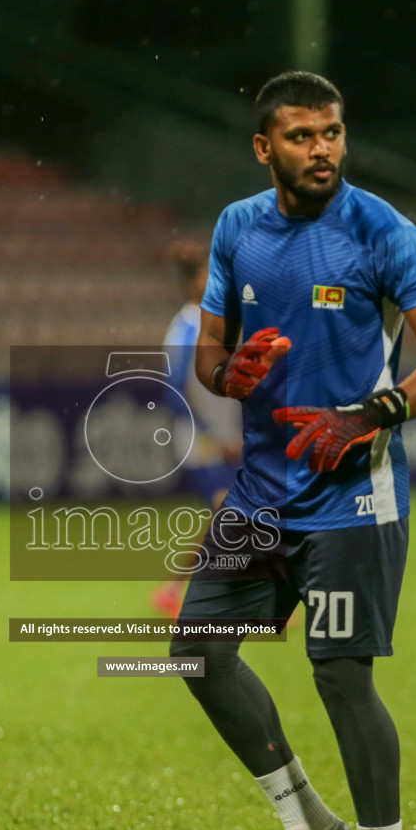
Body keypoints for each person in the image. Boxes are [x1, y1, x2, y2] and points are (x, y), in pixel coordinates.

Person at [169, 71, 416, 830]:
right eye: (302, 137)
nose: (323, 151)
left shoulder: (381, 228)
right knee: (198, 650)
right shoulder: (236, 228)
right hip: (262, 494)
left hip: (353, 497)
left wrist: (370, 414)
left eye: (332, 133)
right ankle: (308, 828)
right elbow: (209, 363)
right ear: (264, 148)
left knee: (340, 673)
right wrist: (235, 373)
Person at [151, 244, 243, 619]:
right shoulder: (189, 326)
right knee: (230, 509)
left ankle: (173, 590)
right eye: (209, 275)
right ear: (193, 285)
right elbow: (176, 388)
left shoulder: (213, 323)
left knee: (226, 513)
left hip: (224, 435)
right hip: (201, 438)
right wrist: (212, 432)